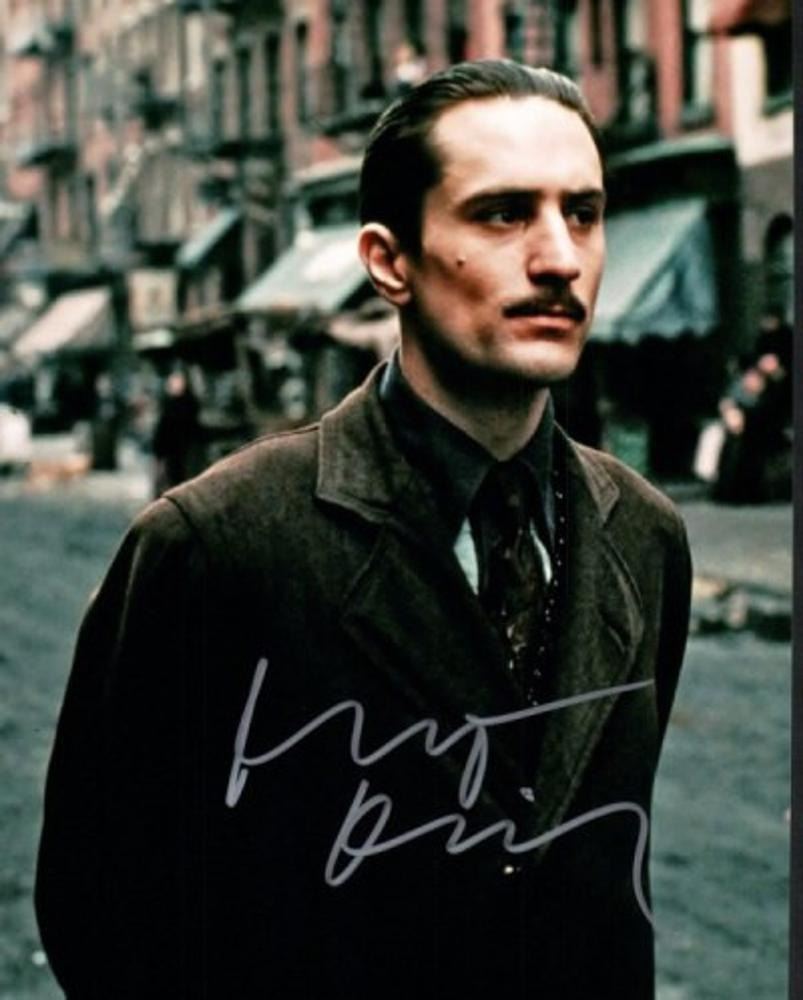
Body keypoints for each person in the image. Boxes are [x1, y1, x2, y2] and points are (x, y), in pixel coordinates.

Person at [35, 60, 692, 999]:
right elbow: (102, 910)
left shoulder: (644, 537)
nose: (559, 257)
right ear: (389, 261)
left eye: (581, 213)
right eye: (502, 214)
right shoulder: (220, 543)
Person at [151, 367, 202, 496]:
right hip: (173, 450)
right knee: (173, 478)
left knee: (180, 478)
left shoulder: (187, 404)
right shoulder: (170, 404)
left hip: (184, 449)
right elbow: (163, 430)